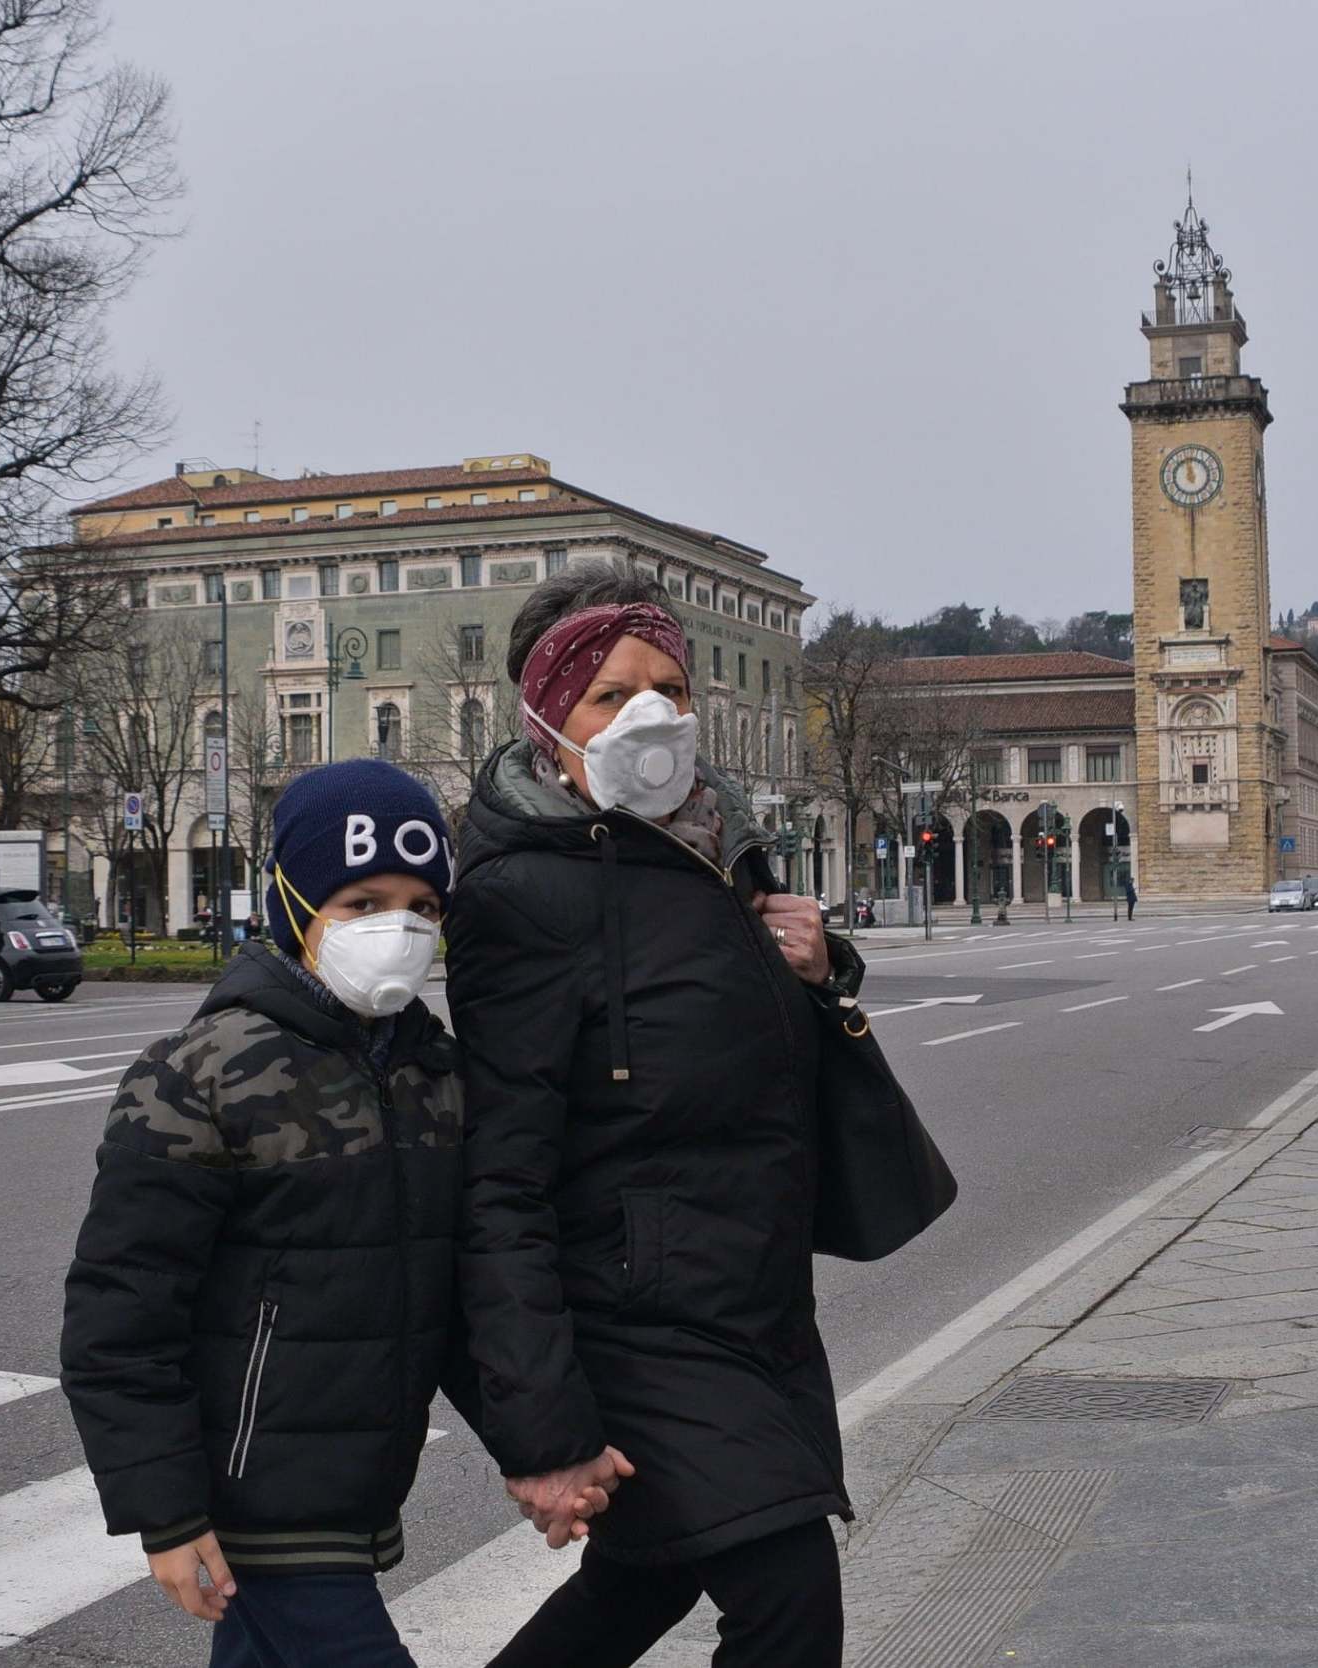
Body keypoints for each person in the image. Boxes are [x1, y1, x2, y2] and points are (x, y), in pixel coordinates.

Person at [58, 760, 557, 1667]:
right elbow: (119, 1316)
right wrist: (164, 1512)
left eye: (422, 905)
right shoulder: (198, 1072)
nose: (396, 928)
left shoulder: (434, 1072)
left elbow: (461, 1298)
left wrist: (543, 1450)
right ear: (293, 903)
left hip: (355, 1490)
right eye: (360, 902)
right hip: (255, 1503)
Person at [450, 566, 857, 1668]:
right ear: (544, 716)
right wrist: (542, 1429)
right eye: (609, 694)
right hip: (634, 1319)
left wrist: (819, 970)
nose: (651, 715)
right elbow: (500, 1178)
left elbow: (747, 1066)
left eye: (671, 689)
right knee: (785, 1598)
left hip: (748, 1300)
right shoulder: (517, 893)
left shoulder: (709, 850)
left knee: (649, 1574)